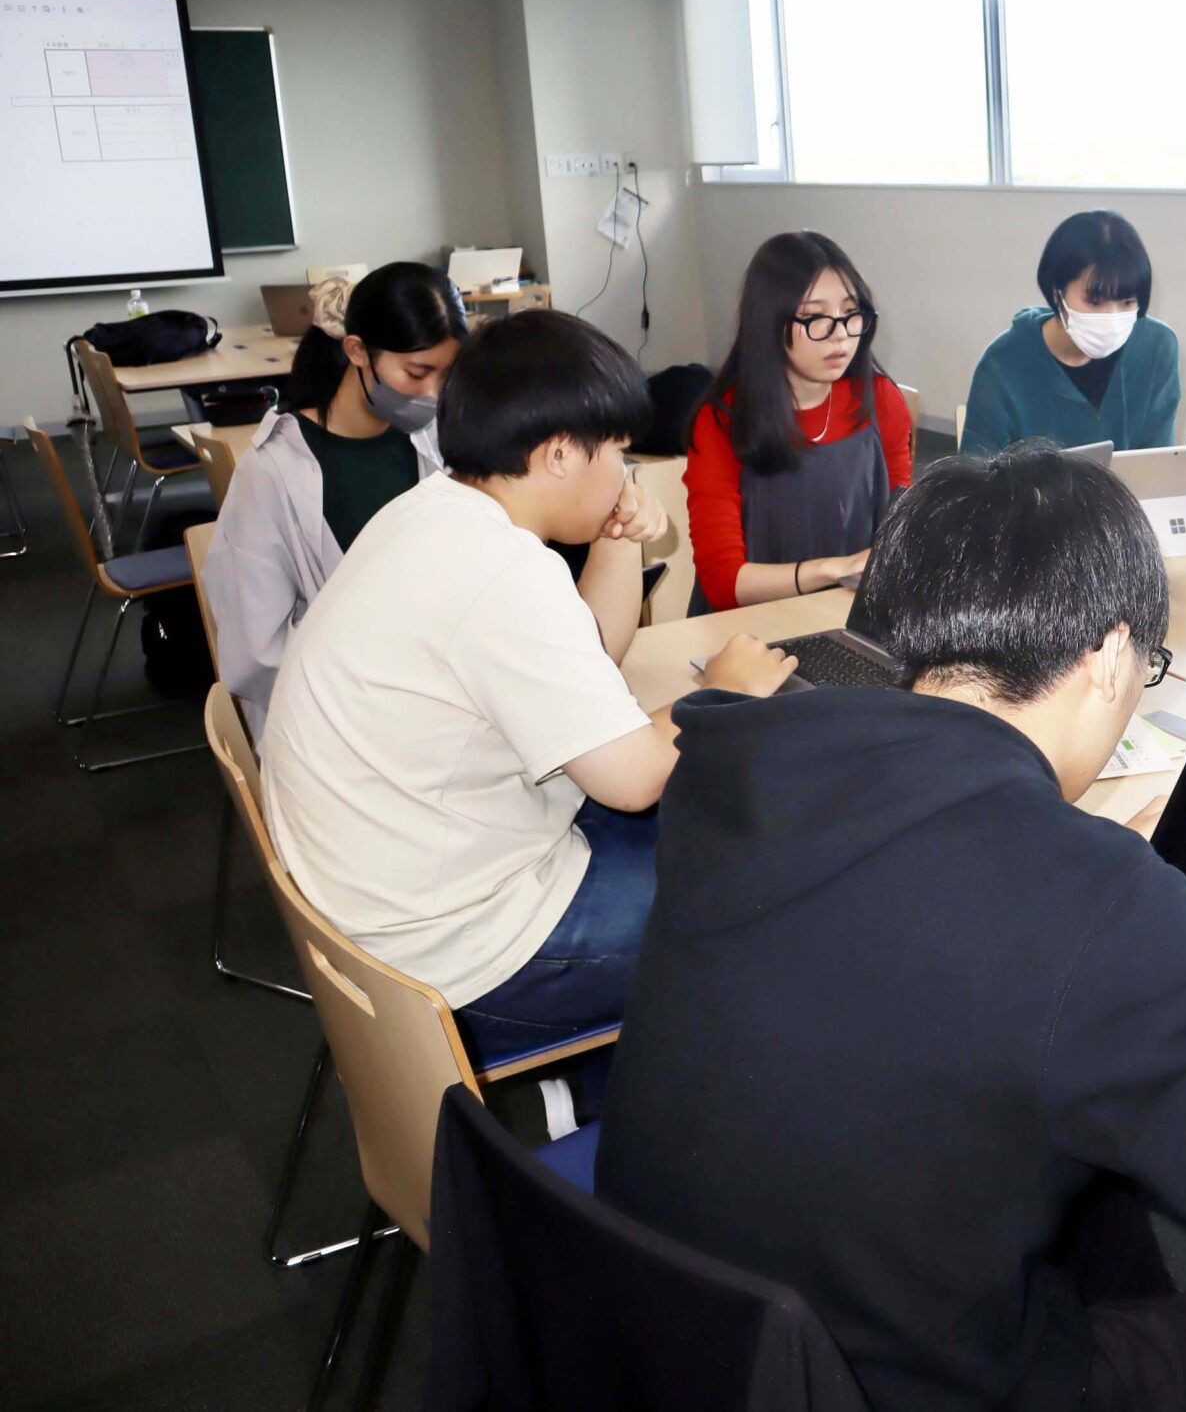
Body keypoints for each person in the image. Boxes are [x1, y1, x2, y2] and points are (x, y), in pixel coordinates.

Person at [600, 444, 1186, 1412]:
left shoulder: (737, 768)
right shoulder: (1090, 903)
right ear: (1112, 656)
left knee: (1094, 1165)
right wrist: (1166, 932)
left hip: (675, 1337)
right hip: (885, 1389)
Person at [258, 310, 796, 1062]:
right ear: (559, 454)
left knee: (717, 827)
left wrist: (616, 536)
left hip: (391, 902)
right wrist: (723, 690)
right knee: (771, 902)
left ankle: (604, 1081)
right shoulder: (502, 572)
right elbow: (633, 779)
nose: (625, 472)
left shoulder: (434, 513)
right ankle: (620, 1099)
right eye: (616, 451)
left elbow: (589, 659)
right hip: (460, 957)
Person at [200, 265, 466, 738]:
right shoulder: (275, 470)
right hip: (333, 719)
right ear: (357, 351)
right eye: (417, 372)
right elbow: (257, 653)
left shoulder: (432, 443)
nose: (432, 394)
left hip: (433, 691)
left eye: (445, 374)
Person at [685, 231, 915, 612]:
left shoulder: (881, 400)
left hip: (847, 615)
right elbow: (724, 583)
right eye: (815, 318)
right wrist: (832, 570)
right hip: (747, 628)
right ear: (769, 323)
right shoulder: (722, 421)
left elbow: (902, 532)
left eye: (850, 314)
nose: (840, 335)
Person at [961, 210, 1180, 454]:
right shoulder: (1003, 364)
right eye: (1094, 302)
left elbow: (1158, 459)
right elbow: (977, 469)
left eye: (1127, 302)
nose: (1111, 316)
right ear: (1057, 293)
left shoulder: (1156, 347)